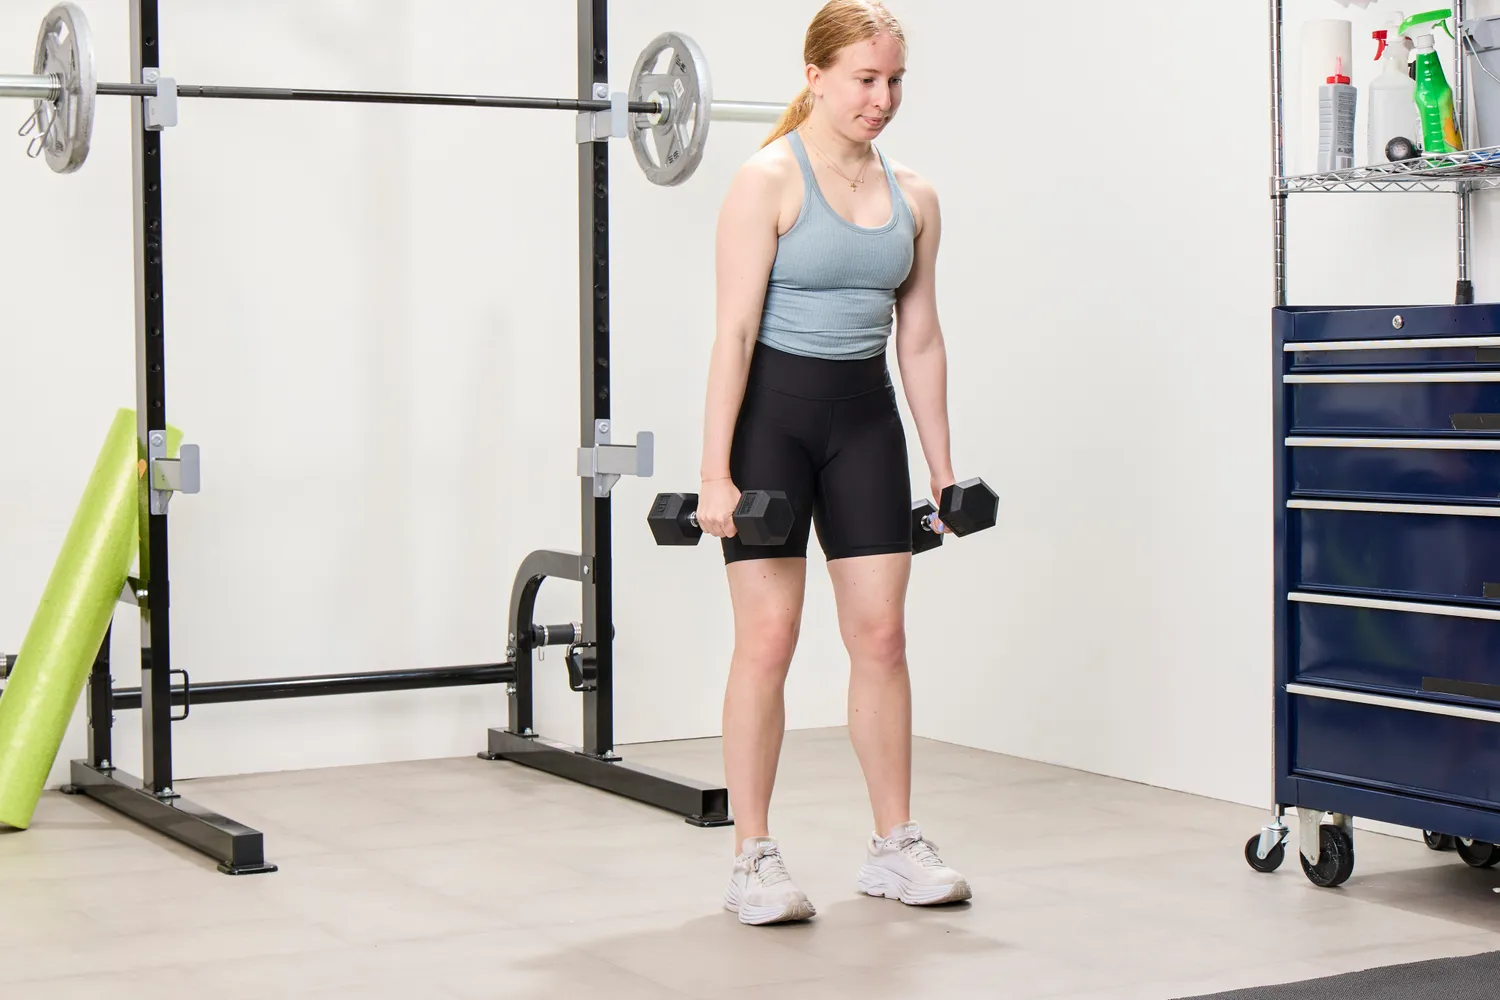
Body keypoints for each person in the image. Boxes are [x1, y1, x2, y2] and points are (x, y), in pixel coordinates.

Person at [696, 0, 972, 926]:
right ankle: (753, 857)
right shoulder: (766, 180)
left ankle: (895, 844)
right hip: (771, 422)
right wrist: (713, 476)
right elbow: (733, 332)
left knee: (881, 639)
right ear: (814, 74)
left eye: (894, 80)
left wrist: (943, 468)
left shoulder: (917, 195)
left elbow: (920, 339)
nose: (882, 97)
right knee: (768, 642)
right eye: (865, 78)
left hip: (865, 422)